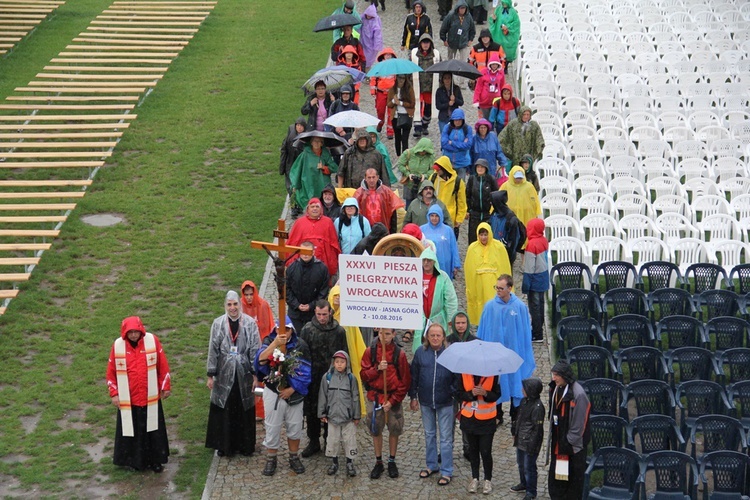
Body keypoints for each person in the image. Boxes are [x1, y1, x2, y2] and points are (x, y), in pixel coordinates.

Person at [107, 316, 171, 472]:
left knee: (153, 431)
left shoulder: (152, 341)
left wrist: (165, 386)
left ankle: (156, 460)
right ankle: (135, 462)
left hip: (150, 397)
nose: (134, 335)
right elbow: (111, 373)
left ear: (141, 330)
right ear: (125, 333)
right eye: (130, 333)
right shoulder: (117, 346)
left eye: (136, 332)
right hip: (130, 399)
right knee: (132, 431)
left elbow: (162, 364)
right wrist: (114, 393)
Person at [205, 291, 262, 457]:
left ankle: (245, 445)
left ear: (240, 304)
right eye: (229, 305)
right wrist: (211, 374)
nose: (233, 308)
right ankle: (225, 445)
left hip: (243, 372)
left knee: (244, 407)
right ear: (225, 306)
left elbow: (255, 348)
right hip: (224, 372)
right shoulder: (218, 323)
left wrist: (255, 374)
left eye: (235, 304)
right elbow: (213, 349)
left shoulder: (250, 324)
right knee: (225, 407)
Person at [476, 274, 536, 427]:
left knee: (515, 381)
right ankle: (497, 414)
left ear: (510, 288)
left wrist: (524, 351)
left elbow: (524, 332)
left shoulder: (520, 307)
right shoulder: (490, 307)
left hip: (514, 352)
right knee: (496, 383)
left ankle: (515, 415)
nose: (498, 291)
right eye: (496, 288)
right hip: (495, 355)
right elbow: (483, 329)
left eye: (501, 288)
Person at [254, 319, 312, 476]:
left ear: (292, 330)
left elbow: (306, 372)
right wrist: (275, 344)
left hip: (295, 394)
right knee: (272, 427)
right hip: (274, 392)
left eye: (287, 329)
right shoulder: (268, 341)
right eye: (281, 329)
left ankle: (294, 457)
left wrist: (292, 389)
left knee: (295, 427)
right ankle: (271, 459)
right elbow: (260, 361)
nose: (284, 333)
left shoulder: (300, 345)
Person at [359, 327, 412, 479]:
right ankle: (378, 461)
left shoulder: (399, 354)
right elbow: (363, 374)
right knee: (375, 429)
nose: (384, 337)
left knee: (394, 429)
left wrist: (394, 400)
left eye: (388, 334)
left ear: (394, 334)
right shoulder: (370, 351)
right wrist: (377, 369)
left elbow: (405, 380)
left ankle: (392, 460)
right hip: (375, 397)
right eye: (382, 333)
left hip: (392, 397)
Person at [409, 324, 456, 486]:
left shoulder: (450, 354)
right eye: (432, 335)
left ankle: (447, 470)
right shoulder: (420, 353)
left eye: (438, 335)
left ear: (443, 337)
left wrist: (451, 391)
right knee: (429, 434)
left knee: (446, 438)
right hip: (426, 400)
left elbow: (457, 378)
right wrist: (413, 396)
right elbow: (413, 376)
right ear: (427, 337)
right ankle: (431, 465)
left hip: (446, 401)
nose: (435, 338)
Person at [299, 300, 348, 458]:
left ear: (330, 313)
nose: (321, 318)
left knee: (331, 410)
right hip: (312, 378)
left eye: (324, 315)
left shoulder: (339, 331)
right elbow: (301, 355)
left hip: (331, 377)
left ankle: (329, 440)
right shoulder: (307, 330)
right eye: (319, 314)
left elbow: (344, 355)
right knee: (312, 411)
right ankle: (313, 441)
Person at [548, 360, 591, 500]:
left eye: (556, 375)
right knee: (559, 476)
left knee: (572, 478)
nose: (553, 378)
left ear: (565, 376)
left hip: (572, 447)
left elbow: (579, 424)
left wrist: (567, 442)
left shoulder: (578, 395)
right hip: (559, 443)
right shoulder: (557, 388)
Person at [404, 247, 458, 351]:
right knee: (420, 348)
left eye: (429, 260)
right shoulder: (414, 275)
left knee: (438, 345)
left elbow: (450, 299)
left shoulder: (443, 277)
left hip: (437, 318)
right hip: (420, 318)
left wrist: (451, 319)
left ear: (434, 261)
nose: (426, 263)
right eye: (424, 260)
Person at [318, 350, 361, 477]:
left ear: (346, 363)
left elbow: (355, 397)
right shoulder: (327, 377)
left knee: (350, 440)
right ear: (333, 363)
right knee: (332, 440)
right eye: (337, 362)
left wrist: (356, 415)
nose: (339, 364)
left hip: (348, 417)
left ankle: (349, 462)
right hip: (332, 416)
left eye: (342, 362)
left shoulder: (351, 378)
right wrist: (322, 413)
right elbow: (323, 396)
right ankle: (334, 461)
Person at [455, 372, 499, 495]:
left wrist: (485, 393)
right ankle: (475, 478)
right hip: (469, 419)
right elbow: (458, 394)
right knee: (473, 451)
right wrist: (471, 394)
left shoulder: (493, 374)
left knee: (485, 451)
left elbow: (497, 395)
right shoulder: (464, 374)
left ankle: (487, 480)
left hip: (487, 420)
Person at [327, 284, 368, 416]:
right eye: (335, 296)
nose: (337, 299)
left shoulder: (349, 318)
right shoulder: (326, 319)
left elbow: (357, 340)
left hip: (349, 358)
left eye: (340, 296)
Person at [240, 281, 275, 420]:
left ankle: (261, 411)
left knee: (261, 380)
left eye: (251, 294)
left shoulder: (263, 305)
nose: (249, 297)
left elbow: (270, 326)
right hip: (246, 350)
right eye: (246, 294)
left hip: (261, 350)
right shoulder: (240, 307)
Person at [464, 222, 511, 325]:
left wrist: (506, 284)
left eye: (486, 234)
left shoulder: (498, 247)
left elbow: (504, 265)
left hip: (493, 283)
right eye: (481, 235)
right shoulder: (472, 248)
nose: (483, 237)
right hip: (479, 283)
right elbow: (469, 268)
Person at [446, 311, 476, 460]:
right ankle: (447, 448)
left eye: (463, 323)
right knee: (448, 421)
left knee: (466, 421)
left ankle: (468, 447)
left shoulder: (475, 341)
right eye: (458, 323)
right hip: (451, 387)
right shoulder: (447, 341)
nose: (461, 326)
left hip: (467, 388)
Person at [287, 198, 342, 278]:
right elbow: (293, 242)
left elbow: (333, 244)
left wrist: (332, 263)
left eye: (317, 207)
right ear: (308, 209)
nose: (315, 209)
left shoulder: (328, 222)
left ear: (321, 209)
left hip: (322, 261)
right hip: (303, 262)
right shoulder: (299, 222)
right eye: (312, 207)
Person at [286, 241, 330, 334]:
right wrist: (296, 304)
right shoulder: (292, 268)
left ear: (313, 252)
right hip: (295, 313)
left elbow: (324, 291)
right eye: (303, 251)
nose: (305, 255)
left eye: (308, 252)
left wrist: (311, 305)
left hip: (313, 314)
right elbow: (286, 290)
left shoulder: (322, 269)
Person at [512, 378, 545, 500]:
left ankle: (531, 491)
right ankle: (524, 483)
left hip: (529, 443)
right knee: (521, 464)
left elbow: (537, 429)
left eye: (524, 388)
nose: (522, 390)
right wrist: (514, 430)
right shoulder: (524, 401)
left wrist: (532, 445)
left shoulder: (538, 407)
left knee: (529, 467)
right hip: (521, 439)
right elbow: (519, 417)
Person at [289, 135, 339, 211]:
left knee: (322, 206)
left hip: (322, 184)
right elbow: (297, 169)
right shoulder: (305, 155)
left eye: (319, 141)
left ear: (322, 144)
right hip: (309, 184)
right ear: (311, 143)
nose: (317, 143)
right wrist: (295, 185)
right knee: (311, 206)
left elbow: (335, 167)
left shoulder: (325, 154)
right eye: (315, 141)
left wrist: (324, 167)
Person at [354, 167, 405, 233]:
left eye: (373, 177)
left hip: (384, 229)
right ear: (365, 178)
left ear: (377, 177)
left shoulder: (386, 191)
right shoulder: (359, 193)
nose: (371, 180)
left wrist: (393, 231)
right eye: (369, 177)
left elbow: (393, 212)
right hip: (366, 230)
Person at [522, 219, 549, 344]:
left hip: (534, 279)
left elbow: (529, 267)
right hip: (543, 277)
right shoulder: (543, 240)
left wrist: (526, 285)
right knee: (541, 305)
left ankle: (537, 333)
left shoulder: (531, 244)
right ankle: (540, 329)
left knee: (534, 307)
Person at [410, 33, 441, 137]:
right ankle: (417, 128)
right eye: (424, 42)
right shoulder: (413, 54)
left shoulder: (436, 55)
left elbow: (441, 69)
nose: (426, 45)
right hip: (417, 85)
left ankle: (425, 125)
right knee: (417, 106)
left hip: (430, 86)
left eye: (427, 42)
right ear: (420, 44)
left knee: (428, 108)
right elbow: (409, 68)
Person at [439, 0, 475, 86]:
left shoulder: (468, 17)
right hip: (452, 43)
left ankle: (461, 82)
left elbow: (472, 29)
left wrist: (470, 40)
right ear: (458, 8)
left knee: (463, 63)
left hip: (463, 43)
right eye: (461, 8)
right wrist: (444, 40)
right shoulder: (450, 16)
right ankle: (450, 80)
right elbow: (443, 28)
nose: (463, 10)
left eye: (464, 8)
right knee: (450, 62)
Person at [431, 155, 467, 241]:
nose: (437, 171)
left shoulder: (458, 182)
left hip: (450, 220)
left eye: (439, 169)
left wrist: (459, 219)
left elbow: (461, 202)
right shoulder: (433, 178)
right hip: (434, 217)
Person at [420, 205, 460, 280]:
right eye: (432, 215)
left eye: (436, 216)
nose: (434, 218)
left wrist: (456, 265)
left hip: (444, 263)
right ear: (428, 216)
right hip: (427, 263)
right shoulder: (422, 229)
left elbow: (454, 247)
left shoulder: (448, 230)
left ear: (440, 216)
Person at [489, 0, 520, 93]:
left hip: (508, 37)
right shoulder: (498, 9)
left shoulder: (513, 13)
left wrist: (508, 27)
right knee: (499, 50)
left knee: (507, 52)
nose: (504, 4)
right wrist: (493, 19)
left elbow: (516, 24)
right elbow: (493, 20)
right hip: (499, 35)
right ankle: (499, 65)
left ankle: (505, 65)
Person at [465, 158, 498, 245]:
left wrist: (494, 210)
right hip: (474, 214)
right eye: (478, 167)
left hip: (487, 214)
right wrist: (468, 210)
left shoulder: (491, 179)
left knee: (486, 238)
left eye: (482, 167)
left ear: (486, 168)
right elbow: (467, 196)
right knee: (473, 239)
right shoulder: (472, 179)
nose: (480, 169)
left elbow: (496, 196)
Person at [397, 138, 436, 208]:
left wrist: (425, 176)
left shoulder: (430, 157)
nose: (423, 153)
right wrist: (408, 174)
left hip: (422, 187)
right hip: (409, 185)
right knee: (409, 207)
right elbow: (400, 164)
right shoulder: (408, 153)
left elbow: (433, 170)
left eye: (425, 151)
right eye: (423, 151)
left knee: (422, 207)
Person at [370, 47, 397, 139]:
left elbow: (398, 80)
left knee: (391, 113)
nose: (388, 56)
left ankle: (390, 131)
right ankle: (380, 124)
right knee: (380, 111)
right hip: (381, 93)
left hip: (391, 94)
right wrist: (373, 90)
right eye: (387, 55)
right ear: (383, 56)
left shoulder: (395, 67)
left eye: (390, 55)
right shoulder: (379, 67)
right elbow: (373, 78)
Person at [387, 74, 416, 156]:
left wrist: (401, 103)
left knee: (405, 139)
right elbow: (388, 104)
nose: (401, 80)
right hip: (395, 117)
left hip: (406, 116)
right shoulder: (392, 89)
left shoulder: (409, 89)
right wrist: (393, 101)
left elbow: (412, 104)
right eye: (399, 78)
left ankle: (405, 156)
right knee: (397, 137)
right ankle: (398, 155)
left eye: (403, 78)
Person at [440, 109, 473, 180]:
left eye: (459, 120)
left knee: (460, 185)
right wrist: (461, 147)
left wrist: (452, 143)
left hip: (462, 163)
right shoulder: (447, 128)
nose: (457, 122)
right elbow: (444, 144)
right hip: (448, 163)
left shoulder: (467, 129)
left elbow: (468, 145)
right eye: (455, 120)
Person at [280, 117, 308, 198]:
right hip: (290, 163)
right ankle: (293, 201)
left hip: (301, 165)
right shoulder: (290, 136)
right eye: (298, 125)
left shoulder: (307, 138)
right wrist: (282, 167)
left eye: (301, 126)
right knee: (290, 185)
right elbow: (284, 150)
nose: (299, 127)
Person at [473, 53, 505, 120]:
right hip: (484, 102)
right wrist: (476, 100)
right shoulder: (483, 72)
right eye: (493, 64)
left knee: (494, 120)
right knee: (484, 120)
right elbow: (478, 87)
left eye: (496, 64)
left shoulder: (501, 73)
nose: (494, 66)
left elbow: (502, 87)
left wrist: (504, 99)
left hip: (496, 102)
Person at [360, 4, 383, 72]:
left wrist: (377, 46)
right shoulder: (362, 18)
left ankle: (367, 74)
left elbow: (377, 35)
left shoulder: (375, 21)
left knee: (369, 61)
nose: (368, 16)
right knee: (362, 58)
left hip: (371, 45)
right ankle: (362, 72)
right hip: (362, 42)